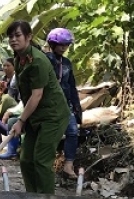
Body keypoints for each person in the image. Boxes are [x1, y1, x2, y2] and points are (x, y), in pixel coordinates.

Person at [7, 20, 70, 194]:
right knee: (26, 159)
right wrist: (24, 119)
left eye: (18, 35)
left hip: (53, 115)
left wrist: (20, 120)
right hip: (35, 115)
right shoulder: (18, 60)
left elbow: (37, 95)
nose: (13, 39)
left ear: (28, 37)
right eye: (10, 36)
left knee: (42, 161)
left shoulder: (38, 61)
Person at [45, 28, 82, 179]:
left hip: (66, 105)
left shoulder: (67, 63)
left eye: (66, 45)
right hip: (50, 105)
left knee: (73, 132)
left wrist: (78, 109)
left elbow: (71, 86)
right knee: (50, 135)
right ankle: (46, 166)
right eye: (60, 44)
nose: (63, 48)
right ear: (52, 44)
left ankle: (68, 165)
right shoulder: (46, 59)